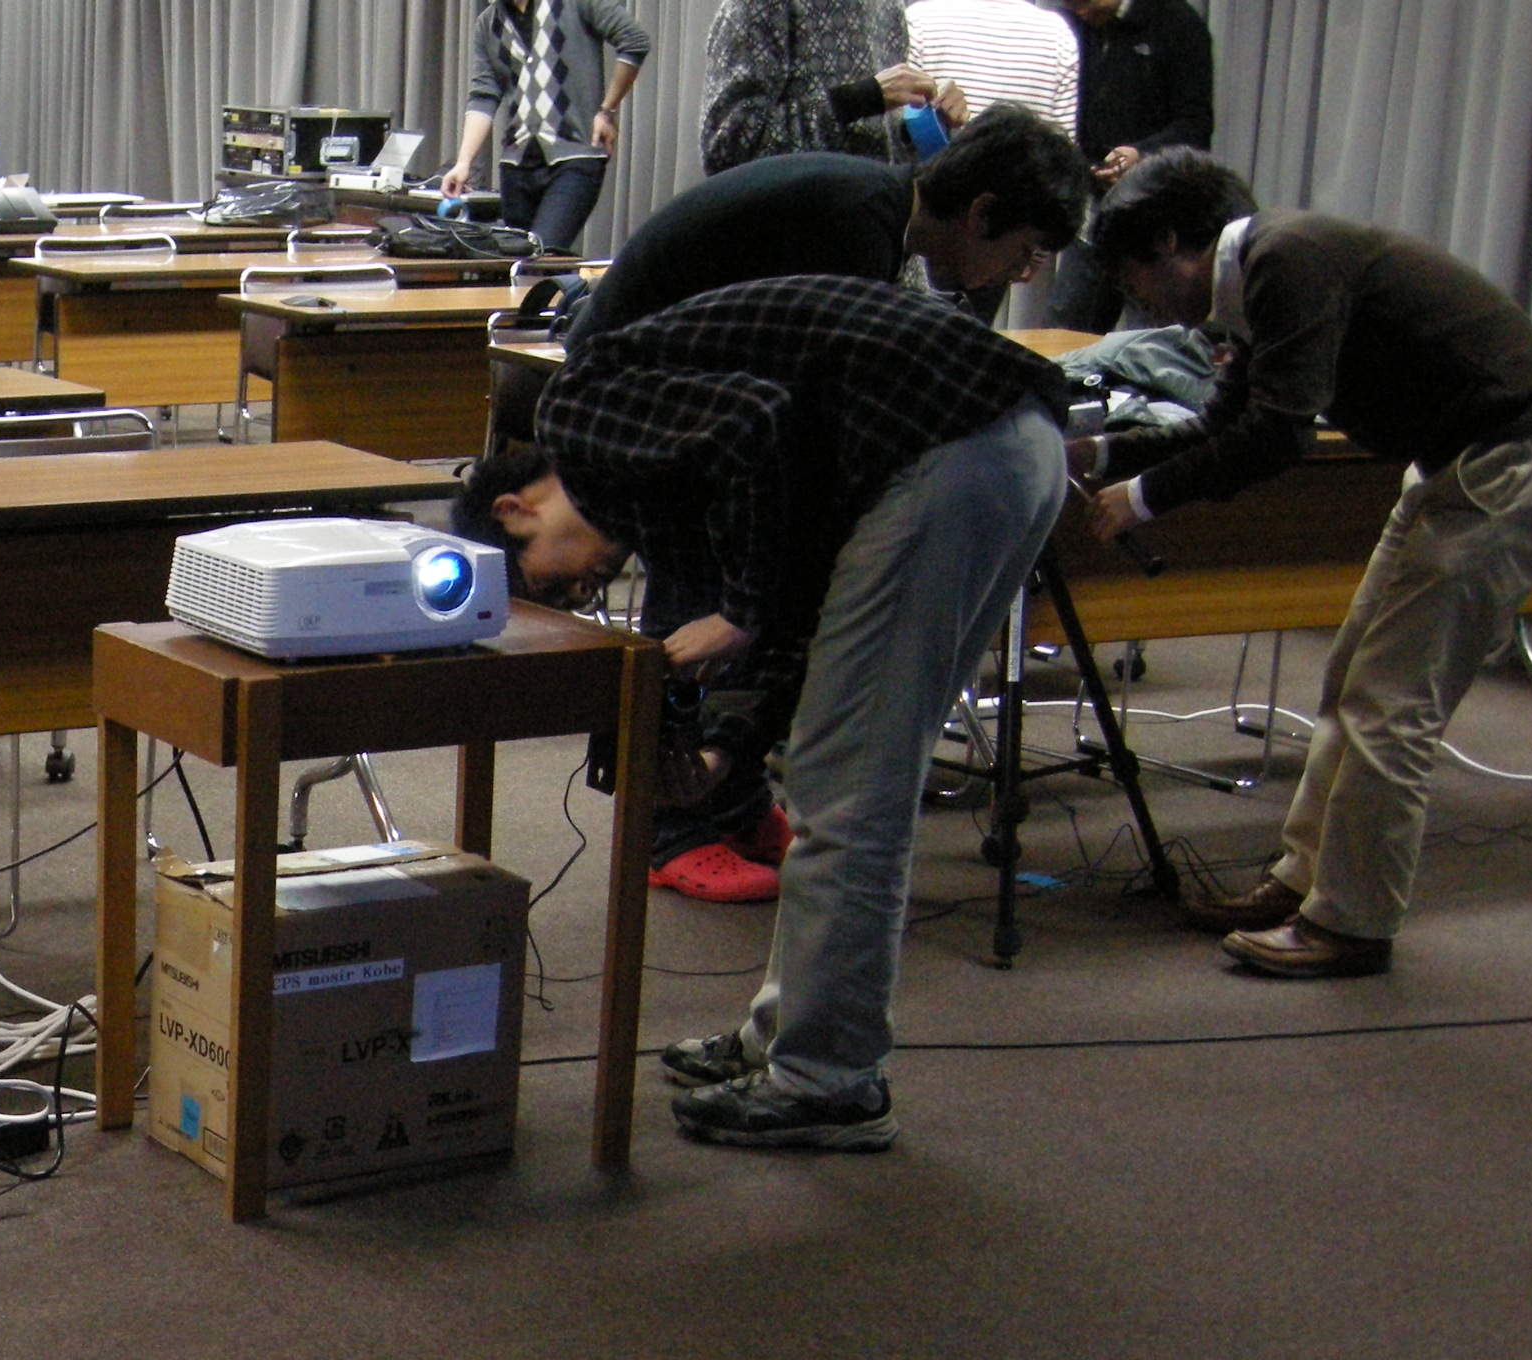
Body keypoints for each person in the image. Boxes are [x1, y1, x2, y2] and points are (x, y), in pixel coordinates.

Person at [460, 275, 1073, 1147]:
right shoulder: (666, 496)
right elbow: (799, 601)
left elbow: (754, 424)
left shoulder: (582, 419)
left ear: (515, 509)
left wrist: (741, 611)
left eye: (552, 584)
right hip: (998, 446)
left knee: (849, 788)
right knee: (842, 767)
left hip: (950, 449)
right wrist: (723, 751)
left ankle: (829, 1080)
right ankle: (787, 1036)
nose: (585, 594)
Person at [1078, 153, 1532, 979]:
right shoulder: (1258, 278)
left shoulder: (1288, 261)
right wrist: (1104, 454)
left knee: (1392, 704)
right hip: (1459, 462)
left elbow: (1278, 436)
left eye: (1131, 276)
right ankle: (1304, 882)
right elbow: (1224, 422)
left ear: (1169, 242)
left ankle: (1352, 922)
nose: (1135, 299)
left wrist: (1142, 500)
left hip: (1512, 460)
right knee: (1353, 674)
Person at [564, 103, 1089, 901]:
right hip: (646, 401)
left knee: (764, 573)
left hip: (694, 396)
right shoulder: (850, 226)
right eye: (1023, 256)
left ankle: (731, 799)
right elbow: (797, 417)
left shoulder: (872, 208)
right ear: (982, 214)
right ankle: (669, 827)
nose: (1014, 278)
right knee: (712, 596)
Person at [437, 0, 652, 260]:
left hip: (574, 157)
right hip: (516, 166)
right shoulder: (488, 23)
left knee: (541, 255)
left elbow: (634, 41)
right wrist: (463, 162)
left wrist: (607, 111)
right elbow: (483, 95)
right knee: (515, 261)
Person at [1042, 0, 1211, 332]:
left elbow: (1195, 125)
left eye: (1084, 2)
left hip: (1157, 216)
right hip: (1094, 207)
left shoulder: (1177, 22)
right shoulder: (1073, 26)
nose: (1079, 12)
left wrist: (1141, 155)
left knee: (1152, 337)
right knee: (1064, 331)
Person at [699, 0, 954, 174]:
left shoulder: (889, 6)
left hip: (869, 228)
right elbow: (726, 150)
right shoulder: (761, 5)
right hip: (788, 233)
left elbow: (878, 147)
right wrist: (861, 99)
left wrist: (925, 127)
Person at [903, 0, 1076, 132]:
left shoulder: (917, 21)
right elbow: (1064, 152)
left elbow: (898, 136)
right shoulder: (1059, 35)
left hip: (938, 168)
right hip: (1027, 169)